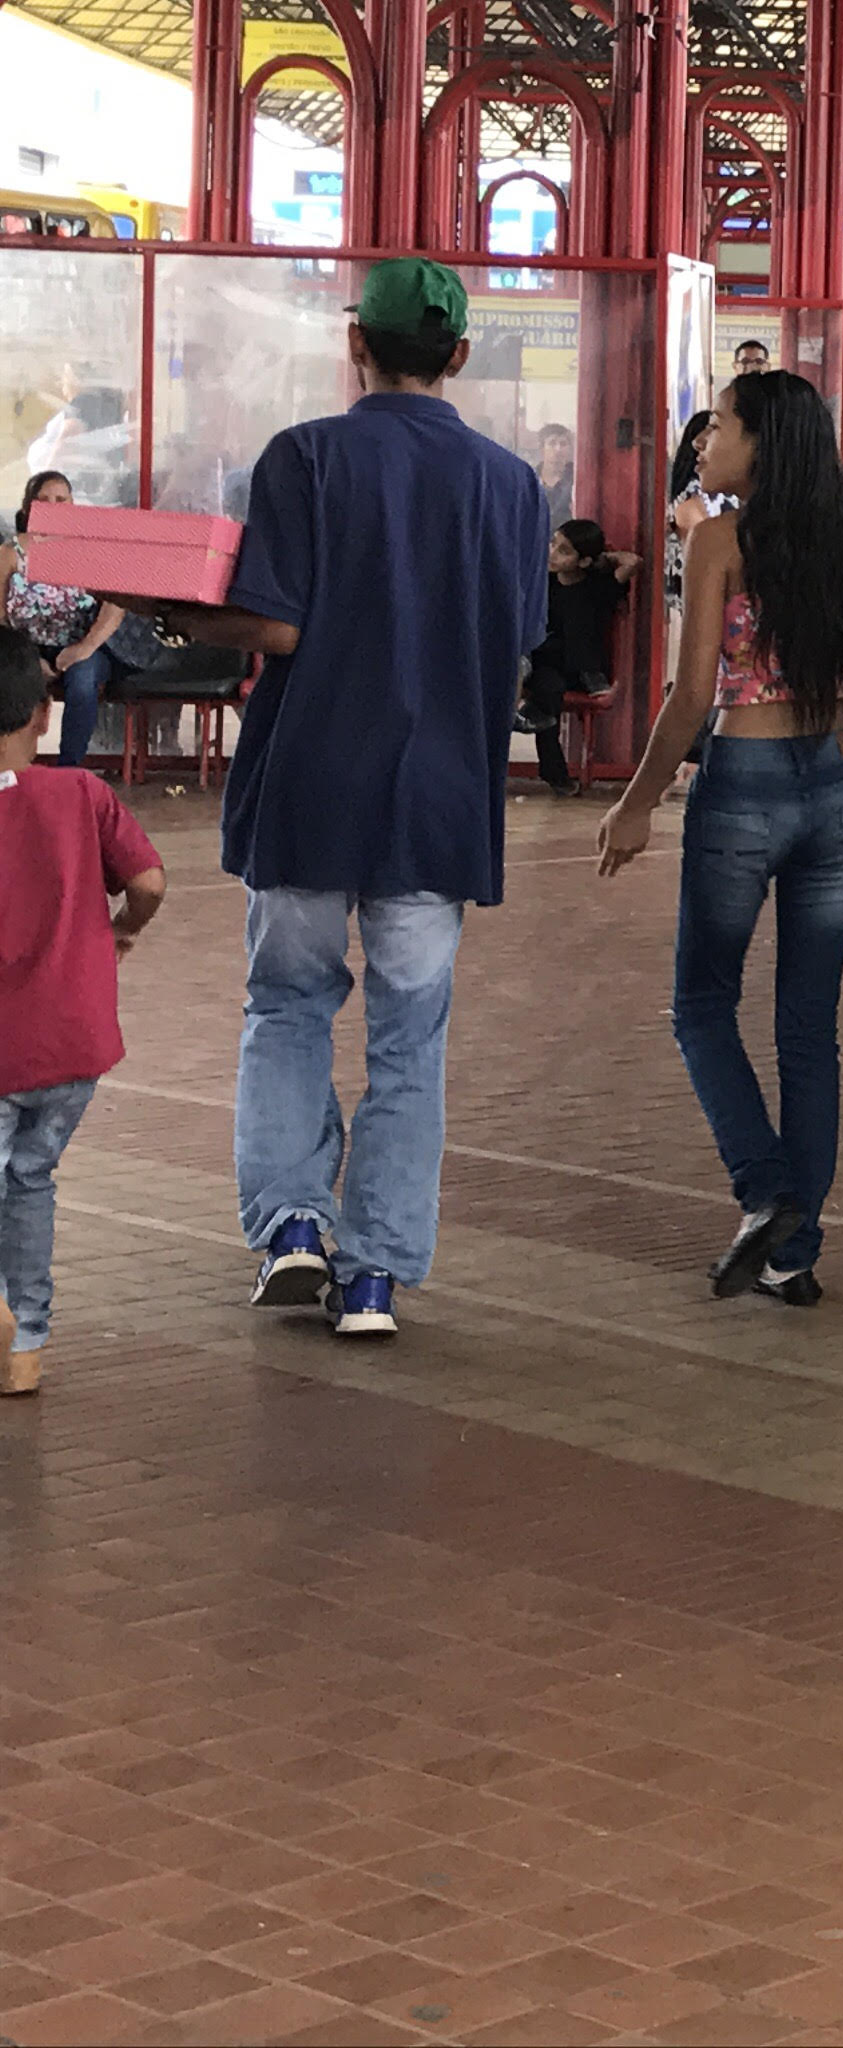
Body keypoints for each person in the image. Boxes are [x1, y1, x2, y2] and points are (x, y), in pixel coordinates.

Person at [112, 259, 544, 1343]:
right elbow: (521, 637)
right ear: (457, 355)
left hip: (310, 782)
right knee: (410, 1038)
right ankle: (376, 1278)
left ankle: (294, 1226)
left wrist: (172, 621)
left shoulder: (304, 455)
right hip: (439, 798)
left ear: (358, 344)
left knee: (289, 1005)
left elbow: (279, 627)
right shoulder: (511, 484)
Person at [597, 372, 843, 1307]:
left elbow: (692, 699)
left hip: (742, 787)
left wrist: (636, 802)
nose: (703, 440)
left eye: (721, 426)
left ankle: (766, 1192)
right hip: (837, 789)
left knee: (702, 1004)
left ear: (765, 442)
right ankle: (796, 1253)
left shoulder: (719, 541)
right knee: (807, 1029)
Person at [0, 626, 166, 1397]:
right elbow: (152, 883)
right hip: (73, 1045)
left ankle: (0, 1309)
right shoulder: (82, 794)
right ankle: (27, 1344)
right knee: (31, 1180)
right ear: (42, 713)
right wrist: (125, 928)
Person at [520, 518, 641, 795]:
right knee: (547, 691)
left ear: (583, 561)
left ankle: (546, 751)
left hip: (581, 667)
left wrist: (603, 557)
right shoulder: (544, 583)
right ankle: (556, 774)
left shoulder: (598, 586)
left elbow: (633, 562)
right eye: (553, 545)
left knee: (547, 692)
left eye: (564, 551)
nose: (552, 553)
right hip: (546, 664)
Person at [8, 472, 120, 769]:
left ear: (73, 505)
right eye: (43, 500)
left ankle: (69, 769)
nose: (52, 505)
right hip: (23, 647)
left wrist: (84, 648)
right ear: (28, 507)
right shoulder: (10, 553)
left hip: (81, 647)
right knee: (8, 675)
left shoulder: (93, 551)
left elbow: (117, 605)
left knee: (83, 681)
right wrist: (30, 658)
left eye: (61, 500)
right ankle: (11, 766)